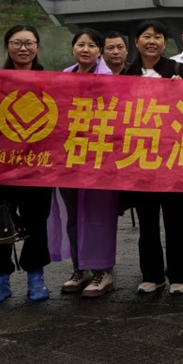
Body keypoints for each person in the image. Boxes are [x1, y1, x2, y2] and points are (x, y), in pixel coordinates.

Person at [120, 20, 183, 295]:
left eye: (158, 37)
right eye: (146, 36)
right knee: (147, 221)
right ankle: (151, 274)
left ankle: (178, 273)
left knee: (177, 220)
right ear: (136, 42)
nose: (152, 41)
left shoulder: (177, 69)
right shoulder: (127, 74)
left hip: (173, 158)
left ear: (165, 43)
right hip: (141, 160)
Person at [0, 25, 53, 305]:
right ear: (7, 46)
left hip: (39, 165)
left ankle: (36, 277)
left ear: (38, 47)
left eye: (29, 43)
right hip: (3, 166)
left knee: (37, 222)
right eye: (16, 43)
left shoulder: (52, 81)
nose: (23, 48)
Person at [51, 28, 119, 298]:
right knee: (74, 216)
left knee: (99, 216)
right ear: (73, 49)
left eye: (92, 45)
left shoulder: (111, 79)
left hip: (101, 158)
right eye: (81, 44)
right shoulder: (64, 77)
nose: (86, 49)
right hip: (70, 157)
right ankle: (80, 268)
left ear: (100, 51)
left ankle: (103, 271)